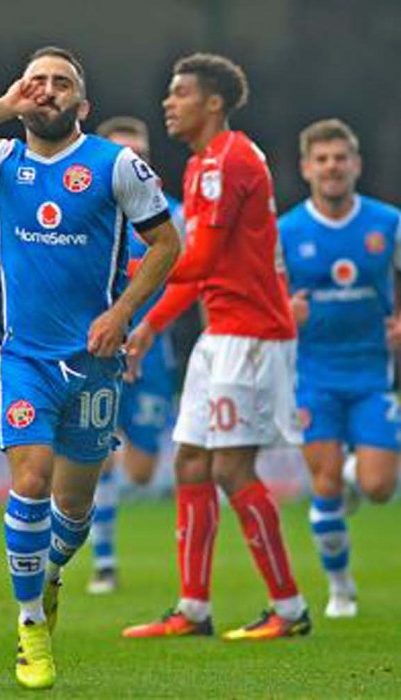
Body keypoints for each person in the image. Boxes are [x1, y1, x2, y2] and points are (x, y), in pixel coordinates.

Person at [0, 47, 180, 689]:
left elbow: (166, 244)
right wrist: (4, 106)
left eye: (61, 83)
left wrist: (121, 313)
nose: (47, 91)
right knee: (31, 480)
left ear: (82, 105)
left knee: (73, 513)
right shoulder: (3, 160)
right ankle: (32, 626)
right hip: (19, 354)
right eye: (37, 81)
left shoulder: (115, 164)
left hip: (92, 359)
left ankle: (53, 571)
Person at [122, 53, 311, 642]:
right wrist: (152, 322)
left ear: (212, 103)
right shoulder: (205, 162)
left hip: (250, 335)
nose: (168, 103)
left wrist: (127, 278)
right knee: (191, 463)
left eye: (179, 93)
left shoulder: (227, 162)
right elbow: (204, 270)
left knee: (231, 467)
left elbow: (195, 259)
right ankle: (193, 609)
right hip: (221, 332)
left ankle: (289, 607)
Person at [278, 118, 401, 618]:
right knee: (325, 482)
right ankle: (340, 588)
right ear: (307, 168)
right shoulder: (286, 230)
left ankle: (356, 476)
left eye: (340, 158)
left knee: (378, 488)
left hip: (373, 373)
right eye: (322, 159)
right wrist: (287, 315)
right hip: (313, 374)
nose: (332, 167)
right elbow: (265, 299)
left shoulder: (387, 222)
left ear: (356, 165)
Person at [87, 116, 183, 595]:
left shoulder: (174, 217)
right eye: (123, 153)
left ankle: (93, 518)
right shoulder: (86, 211)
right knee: (99, 457)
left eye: (140, 154)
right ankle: (104, 562)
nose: (133, 162)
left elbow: (197, 283)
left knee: (142, 473)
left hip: (152, 355)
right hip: (96, 351)